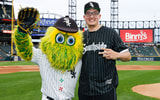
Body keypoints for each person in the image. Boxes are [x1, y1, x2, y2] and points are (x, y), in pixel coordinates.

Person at [14, 7, 83, 100]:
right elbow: (26, 50)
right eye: (60, 38)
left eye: (70, 40)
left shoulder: (79, 58)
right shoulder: (43, 55)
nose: (64, 43)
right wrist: (21, 32)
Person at [78, 1, 131, 100]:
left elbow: (128, 56)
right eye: (89, 13)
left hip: (106, 90)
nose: (92, 16)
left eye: (95, 13)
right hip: (85, 90)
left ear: (99, 16)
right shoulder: (80, 37)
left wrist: (117, 55)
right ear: (84, 17)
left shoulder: (110, 33)